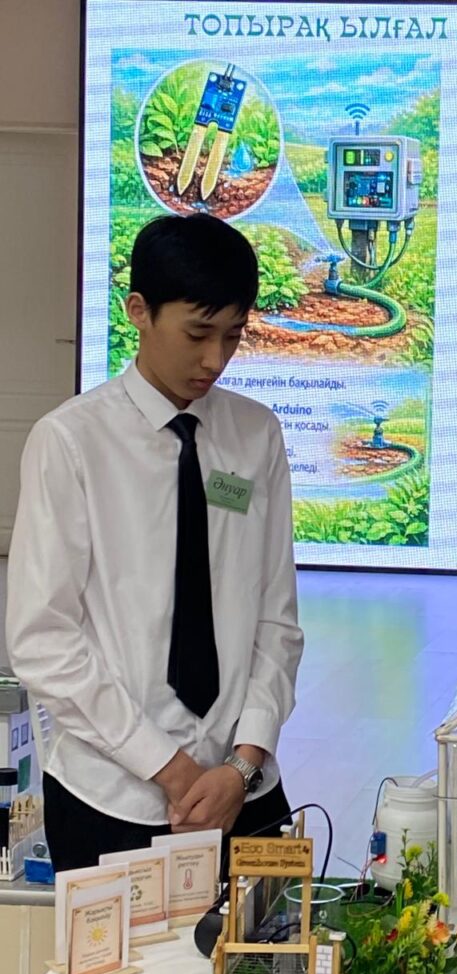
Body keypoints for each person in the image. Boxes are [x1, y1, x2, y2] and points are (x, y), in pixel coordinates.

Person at [5, 213, 304, 871]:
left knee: (262, 944)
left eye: (233, 335)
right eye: (197, 334)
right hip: (112, 796)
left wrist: (241, 763)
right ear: (138, 311)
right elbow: (42, 639)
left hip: (244, 791)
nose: (214, 360)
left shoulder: (255, 435)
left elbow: (277, 620)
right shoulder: (71, 442)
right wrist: (169, 767)